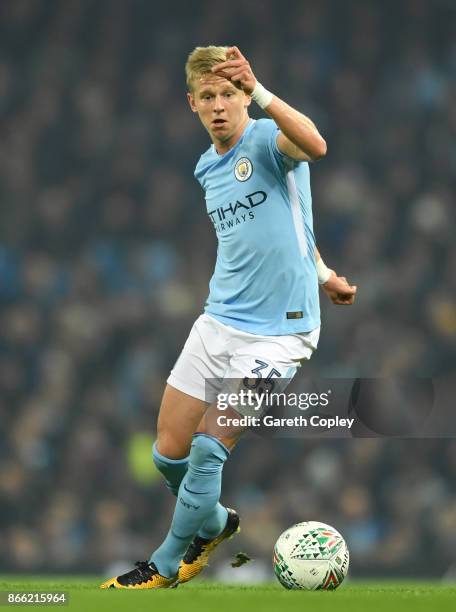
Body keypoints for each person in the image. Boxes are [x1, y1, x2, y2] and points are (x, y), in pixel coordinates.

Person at [101, 45, 356, 589]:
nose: (220, 106)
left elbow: (317, 144)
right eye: (208, 96)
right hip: (218, 322)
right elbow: (281, 226)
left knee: (209, 448)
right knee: (168, 454)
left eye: (229, 95)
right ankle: (216, 524)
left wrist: (262, 90)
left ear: (244, 98)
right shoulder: (206, 167)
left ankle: (164, 564)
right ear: (191, 103)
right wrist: (324, 269)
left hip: (280, 334)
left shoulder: (267, 137)